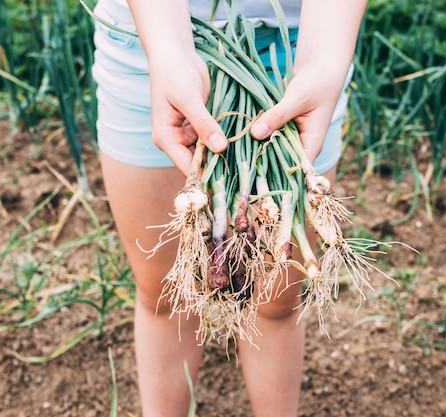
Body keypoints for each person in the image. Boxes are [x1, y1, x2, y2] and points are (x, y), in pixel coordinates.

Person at [91, 0, 367, 415]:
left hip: (297, 59)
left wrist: (325, 59)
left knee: (277, 301)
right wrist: (168, 48)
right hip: (150, 41)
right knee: (163, 294)